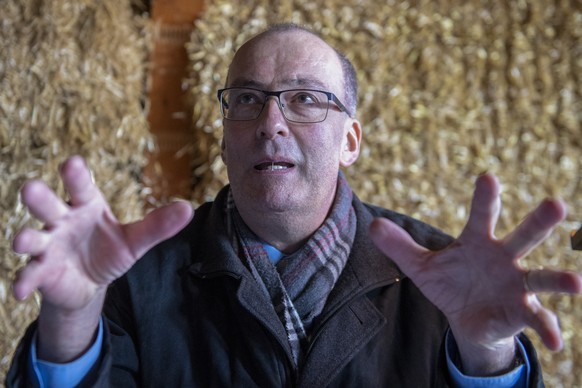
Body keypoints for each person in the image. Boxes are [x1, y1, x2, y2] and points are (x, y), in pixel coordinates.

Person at [6, 23, 582, 387]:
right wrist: (72, 321)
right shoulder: (131, 277)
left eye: (305, 99)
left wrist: (486, 354)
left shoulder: (439, 274)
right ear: (226, 135)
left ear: (350, 141)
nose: (271, 123)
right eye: (248, 100)